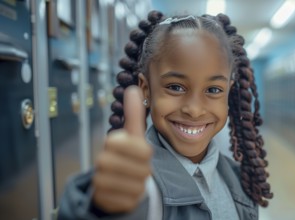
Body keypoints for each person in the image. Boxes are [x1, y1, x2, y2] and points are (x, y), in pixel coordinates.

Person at [58, 10, 273, 220]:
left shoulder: (240, 180)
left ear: (229, 91)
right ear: (146, 89)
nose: (195, 109)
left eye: (214, 90)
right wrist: (102, 210)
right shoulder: (140, 186)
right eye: (176, 87)